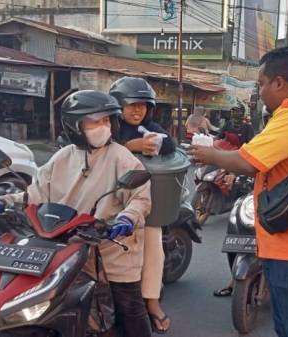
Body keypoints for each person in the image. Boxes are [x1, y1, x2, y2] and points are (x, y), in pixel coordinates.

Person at [189, 47, 288, 337]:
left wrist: (210, 155)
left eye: (261, 84)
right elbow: (262, 158)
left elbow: (248, 161)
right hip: (286, 241)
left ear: (279, 82)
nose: (259, 92)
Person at [0, 90, 153, 337]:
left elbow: (139, 198)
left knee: (129, 305)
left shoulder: (123, 158)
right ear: (74, 126)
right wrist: (6, 200)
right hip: (63, 242)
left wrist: (127, 218)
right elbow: (36, 193)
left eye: (107, 121)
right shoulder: (63, 156)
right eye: (95, 121)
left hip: (111, 246)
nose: (103, 127)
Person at [109, 76, 173, 334]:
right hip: (109, 199)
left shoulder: (151, 128)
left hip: (140, 202)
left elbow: (170, 143)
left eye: (143, 106)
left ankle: (152, 301)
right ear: (118, 106)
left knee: (154, 238)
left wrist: (156, 142)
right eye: (131, 104)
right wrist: (129, 146)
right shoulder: (110, 128)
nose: (137, 110)